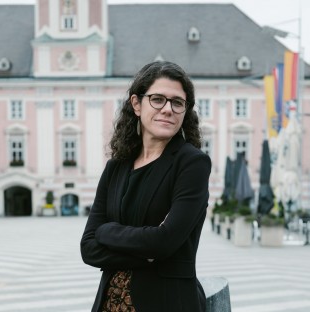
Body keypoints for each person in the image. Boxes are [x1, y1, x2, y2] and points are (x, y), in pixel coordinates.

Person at [80, 61, 211, 312]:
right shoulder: (116, 166)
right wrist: (149, 253)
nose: (168, 109)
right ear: (137, 104)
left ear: (185, 111)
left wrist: (106, 232)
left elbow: (164, 242)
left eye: (177, 102)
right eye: (158, 99)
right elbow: (88, 248)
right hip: (109, 302)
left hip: (167, 301)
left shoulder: (192, 164)